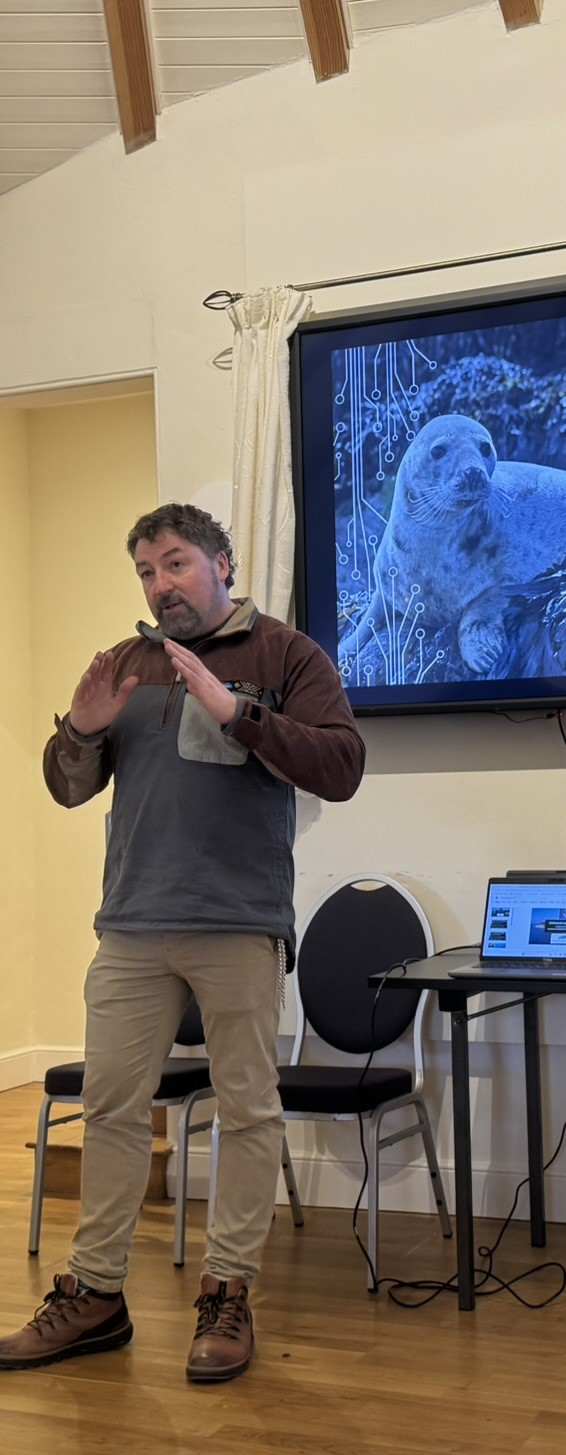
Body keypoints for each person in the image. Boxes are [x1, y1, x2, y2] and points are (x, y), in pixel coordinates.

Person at [0, 504, 365, 1384]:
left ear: (223, 563)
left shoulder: (287, 655)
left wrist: (236, 711)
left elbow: (341, 766)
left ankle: (227, 1294)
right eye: (146, 573)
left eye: (174, 563)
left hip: (239, 924)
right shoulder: (126, 664)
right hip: (130, 925)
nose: (160, 585)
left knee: (247, 1112)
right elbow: (65, 786)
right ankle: (94, 1296)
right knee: (115, 1109)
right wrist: (80, 730)